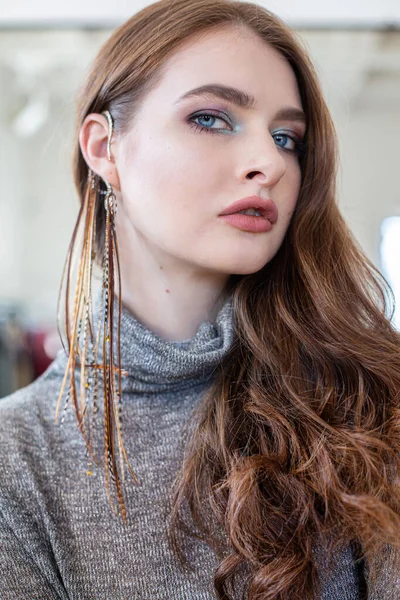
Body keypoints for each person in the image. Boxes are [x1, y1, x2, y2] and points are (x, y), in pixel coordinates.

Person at [1, 0, 400, 598]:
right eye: (212, 118)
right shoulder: (18, 461)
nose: (269, 162)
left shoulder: (368, 401)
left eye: (287, 137)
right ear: (104, 148)